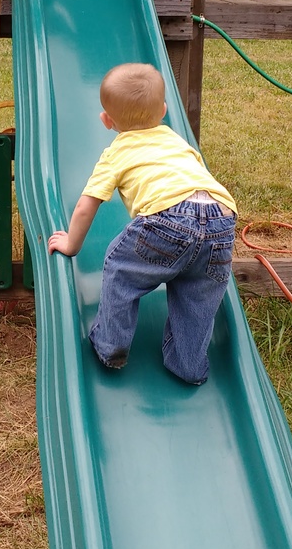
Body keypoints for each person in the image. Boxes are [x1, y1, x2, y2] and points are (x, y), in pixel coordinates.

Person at [48, 63, 237, 385]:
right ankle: (188, 365)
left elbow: (86, 205)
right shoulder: (177, 141)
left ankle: (112, 345)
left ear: (107, 121)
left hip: (167, 220)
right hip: (221, 218)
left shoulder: (117, 152)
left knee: (121, 271)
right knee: (198, 299)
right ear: (163, 110)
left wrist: (71, 244)